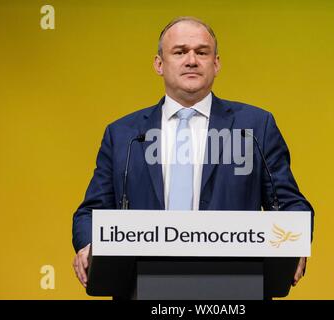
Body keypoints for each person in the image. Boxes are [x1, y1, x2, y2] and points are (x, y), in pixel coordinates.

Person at [72, 16, 314, 296]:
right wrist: (89, 245)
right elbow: (90, 211)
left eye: (201, 52)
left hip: (234, 288)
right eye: (179, 52)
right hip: (142, 286)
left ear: (216, 63)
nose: (191, 60)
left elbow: (290, 204)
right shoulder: (123, 134)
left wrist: (294, 245)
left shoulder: (256, 127)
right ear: (159, 65)